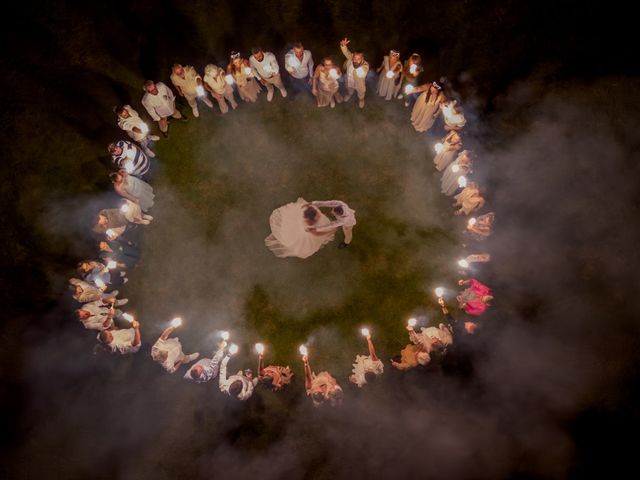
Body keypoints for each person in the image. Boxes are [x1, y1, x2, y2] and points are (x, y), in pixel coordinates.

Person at [265, 198, 336, 258]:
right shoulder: (309, 227)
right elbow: (318, 234)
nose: (319, 215)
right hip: (306, 235)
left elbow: (309, 206)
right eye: (317, 216)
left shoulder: (306, 209)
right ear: (312, 220)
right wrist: (330, 231)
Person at [339, 38, 369, 108]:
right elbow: (346, 52)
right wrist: (343, 45)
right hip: (350, 80)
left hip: (359, 83)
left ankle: (361, 100)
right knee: (349, 89)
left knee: (361, 93)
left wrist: (359, 70)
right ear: (352, 56)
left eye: (359, 59)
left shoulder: (365, 65)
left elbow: (363, 71)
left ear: (362, 58)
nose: (356, 60)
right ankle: (349, 94)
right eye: (355, 58)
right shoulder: (351, 59)